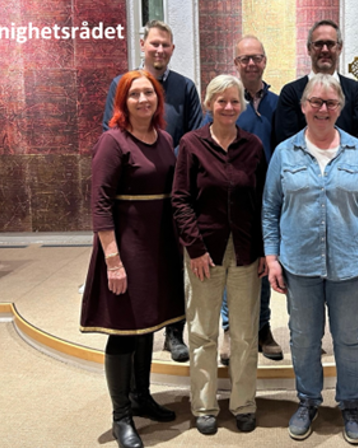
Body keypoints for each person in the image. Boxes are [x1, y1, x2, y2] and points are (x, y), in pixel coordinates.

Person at [263, 74, 358, 445]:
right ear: (303, 106)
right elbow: (270, 209)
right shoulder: (284, 153)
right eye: (315, 102)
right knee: (303, 338)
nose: (323, 109)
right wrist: (272, 258)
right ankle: (308, 401)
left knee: (350, 339)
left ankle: (350, 404)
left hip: (350, 263)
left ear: (340, 108)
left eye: (331, 103)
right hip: (300, 265)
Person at [81, 70, 184, 448]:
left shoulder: (165, 139)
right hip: (125, 246)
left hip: (157, 244)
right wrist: (112, 260)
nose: (143, 100)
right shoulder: (112, 141)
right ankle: (121, 415)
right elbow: (100, 204)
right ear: (122, 102)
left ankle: (142, 397)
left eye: (150, 93)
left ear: (159, 99)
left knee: (149, 324)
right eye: (135, 94)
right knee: (123, 330)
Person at [171, 75, 268, 436]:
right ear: (209, 104)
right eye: (221, 101)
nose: (228, 107)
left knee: (244, 333)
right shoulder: (191, 144)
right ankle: (205, 405)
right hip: (204, 252)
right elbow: (180, 200)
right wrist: (194, 248)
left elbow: (262, 203)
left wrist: (263, 250)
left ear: (242, 106)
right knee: (202, 332)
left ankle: (244, 403)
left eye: (235, 101)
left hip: (245, 250)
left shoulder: (253, 146)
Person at [102, 20, 202, 362]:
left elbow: (192, 139)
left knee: (167, 276)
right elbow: (110, 134)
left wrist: (167, 166)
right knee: (133, 292)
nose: (160, 50)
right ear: (143, 45)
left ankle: (173, 333)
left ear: (172, 50)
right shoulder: (121, 85)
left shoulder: (185, 88)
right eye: (154, 44)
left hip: (171, 196)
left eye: (166, 45)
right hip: (132, 206)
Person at [206, 36, 282, 366]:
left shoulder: (280, 104)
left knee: (264, 266)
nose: (250, 63)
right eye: (244, 59)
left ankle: (263, 328)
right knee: (231, 266)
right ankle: (228, 328)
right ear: (235, 63)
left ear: (265, 61)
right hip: (230, 201)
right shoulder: (228, 100)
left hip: (266, 197)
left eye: (256, 58)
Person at [272, 20, 358, 150]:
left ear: (339, 48)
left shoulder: (357, 92)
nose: (324, 50)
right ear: (308, 49)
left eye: (330, 44)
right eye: (318, 44)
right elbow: (287, 144)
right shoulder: (290, 93)